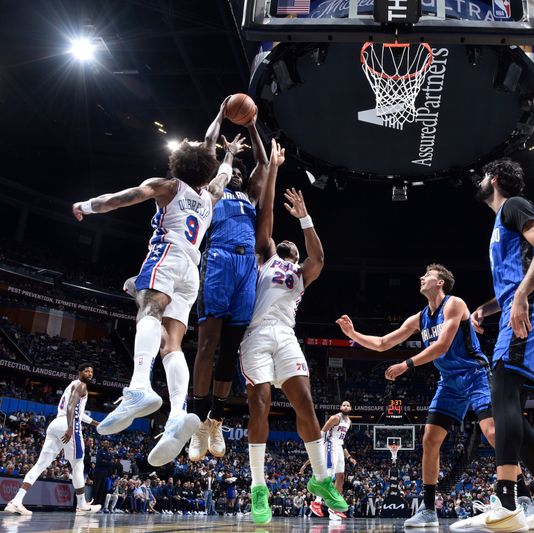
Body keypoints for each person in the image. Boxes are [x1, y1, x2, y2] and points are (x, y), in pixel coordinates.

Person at [70, 127, 243, 466]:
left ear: (177, 164)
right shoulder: (210, 197)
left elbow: (122, 197)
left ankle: (139, 387)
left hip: (167, 255)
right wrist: (230, 155)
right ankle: (178, 413)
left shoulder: (169, 186)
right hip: (192, 271)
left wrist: (86, 206)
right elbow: (221, 176)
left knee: (148, 310)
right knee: (172, 344)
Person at [337, 264, 530, 529]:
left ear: (440, 283)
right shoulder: (419, 318)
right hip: (449, 382)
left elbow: (442, 346)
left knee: (493, 433)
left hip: (474, 374)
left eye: (427, 275)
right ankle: (428, 510)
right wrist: (353, 335)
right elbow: (383, 343)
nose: (421, 277)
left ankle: (525, 497)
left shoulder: (454, 305)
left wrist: (406, 365)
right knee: (430, 439)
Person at [461, 158, 534, 531]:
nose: (478, 181)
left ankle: (506, 499)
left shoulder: (514, 205)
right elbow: (515, 278)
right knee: (511, 407)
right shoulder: (501, 221)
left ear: (494, 179)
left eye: (483, 176)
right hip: (517, 306)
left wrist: (522, 297)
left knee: (502, 389)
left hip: (530, 308)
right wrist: (487, 307)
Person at [240, 141, 347, 524]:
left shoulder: (300, 274)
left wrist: (305, 218)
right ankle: (258, 487)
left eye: (292, 244)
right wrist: (272, 170)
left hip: (285, 335)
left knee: (305, 403)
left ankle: (321, 480)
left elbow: (319, 258)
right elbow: (266, 214)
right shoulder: (266, 256)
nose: (284, 242)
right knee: (260, 405)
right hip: (256, 335)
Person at [189, 103, 272, 462]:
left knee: (233, 347)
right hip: (219, 259)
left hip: (246, 265)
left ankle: (215, 420)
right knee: (208, 344)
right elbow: (209, 143)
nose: (235, 174)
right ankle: (195, 422)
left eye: (239, 172)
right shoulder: (211, 190)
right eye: (231, 171)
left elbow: (265, 165)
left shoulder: (249, 196)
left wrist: (253, 126)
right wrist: (222, 114)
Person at [4, 363, 102, 515]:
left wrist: (97, 424)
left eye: (92, 371)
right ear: (79, 372)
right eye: (87, 371)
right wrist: (70, 427)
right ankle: (82, 504)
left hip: (55, 424)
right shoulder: (81, 385)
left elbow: (78, 412)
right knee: (78, 464)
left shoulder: (72, 385)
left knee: (40, 465)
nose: (90, 373)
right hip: (68, 424)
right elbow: (71, 407)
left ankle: (16, 501)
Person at [304, 401, 357, 521]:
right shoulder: (335, 418)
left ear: (351, 408)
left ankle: (334, 508)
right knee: (329, 473)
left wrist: (349, 457)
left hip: (338, 446)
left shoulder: (349, 422)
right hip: (330, 444)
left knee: (340, 477)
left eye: (348, 405)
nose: (346, 407)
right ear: (340, 407)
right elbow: (322, 432)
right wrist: (318, 446)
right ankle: (316, 502)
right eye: (344, 405)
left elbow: (342, 442)